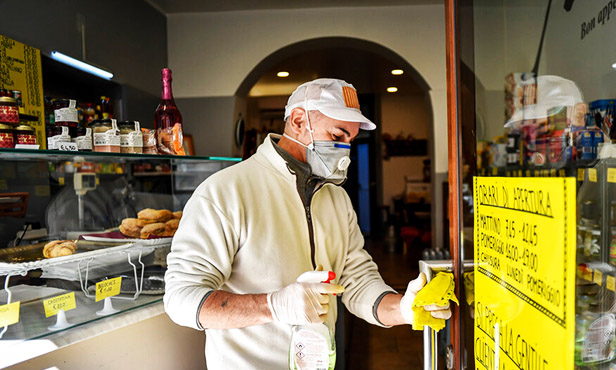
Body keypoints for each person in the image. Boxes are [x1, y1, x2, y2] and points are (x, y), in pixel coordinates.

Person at [164, 78, 451, 369]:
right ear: (299, 121)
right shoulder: (224, 192)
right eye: (337, 135)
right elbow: (181, 298)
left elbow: (356, 280)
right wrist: (273, 306)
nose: (344, 150)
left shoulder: (337, 199)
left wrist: (402, 308)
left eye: (350, 141)